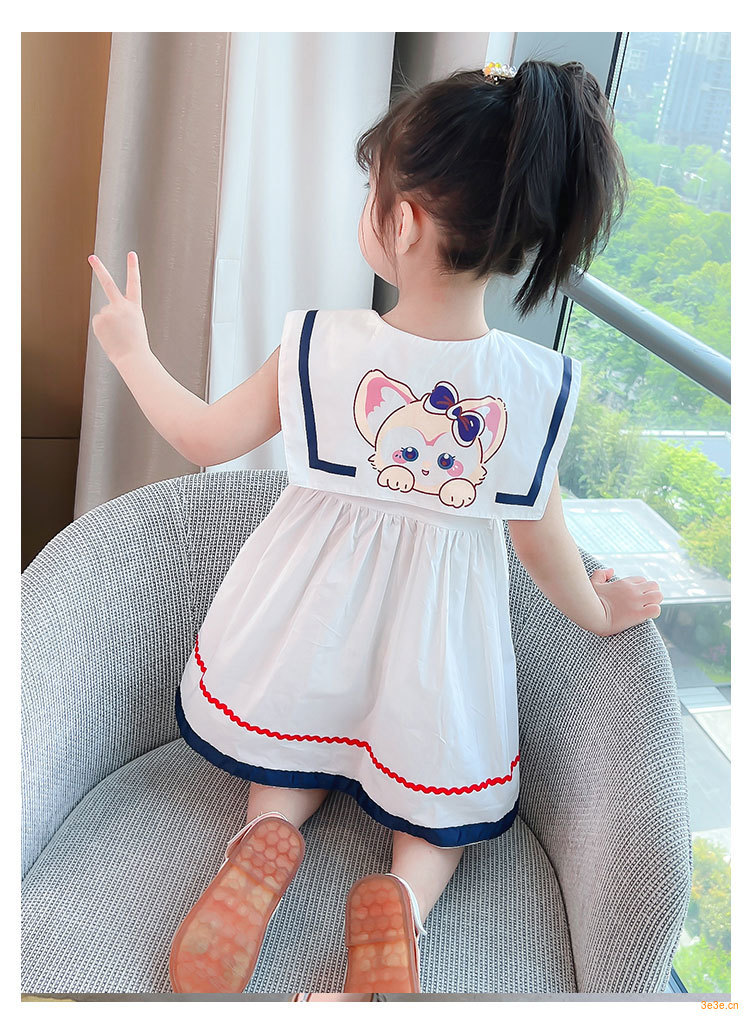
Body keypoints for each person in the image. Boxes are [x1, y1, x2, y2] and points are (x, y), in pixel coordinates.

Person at [88, 58, 664, 1000]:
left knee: (292, 737)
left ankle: (263, 837)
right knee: (438, 807)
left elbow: (202, 437)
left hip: (304, 627)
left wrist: (131, 351)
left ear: (407, 220)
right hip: (436, 653)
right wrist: (601, 612)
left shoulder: (321, 342)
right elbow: (540, 541)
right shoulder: (531, 387)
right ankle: (403, 898)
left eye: (374, 192)